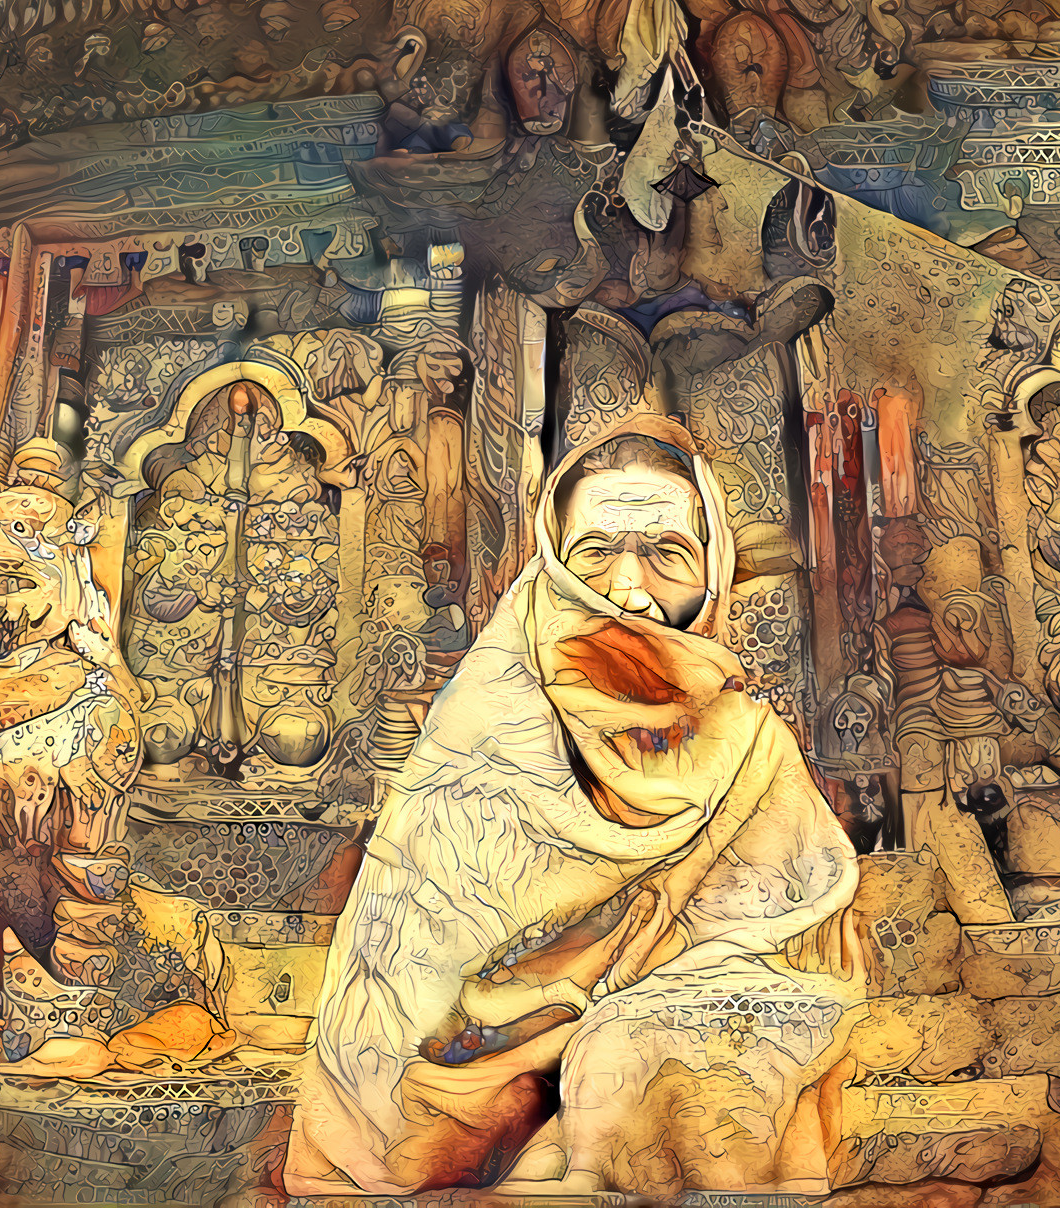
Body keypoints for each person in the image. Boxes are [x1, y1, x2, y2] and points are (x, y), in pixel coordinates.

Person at [287, 415, 867, 1196]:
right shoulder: (487, 718)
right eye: (595, 552)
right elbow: (403, 1006)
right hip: (449, 1101)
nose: (629, 591)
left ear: (715, 569)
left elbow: (782, 941)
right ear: (555, 563)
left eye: (668, 554)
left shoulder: (749, 742)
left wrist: (633, 1019)